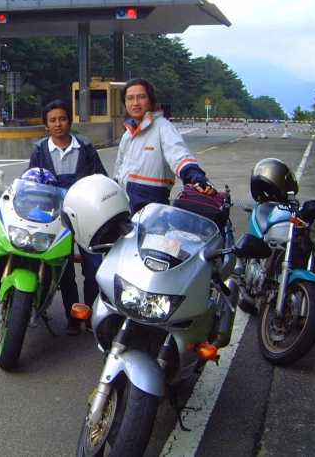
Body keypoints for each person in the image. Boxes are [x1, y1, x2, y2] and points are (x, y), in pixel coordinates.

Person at [29, 99, 107, 336]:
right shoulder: (40, 149)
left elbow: (101, 177)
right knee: (64, 271)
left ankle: (91, 314)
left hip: (85, 216)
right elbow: (30, 182)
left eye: (62, 119)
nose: (58, 124)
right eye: (52, 120)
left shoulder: (84, 146)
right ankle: (72, 317)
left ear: (70, 121)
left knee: (94, 267)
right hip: (55, 219)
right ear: (46, 125)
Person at [114, 77, 217, 214]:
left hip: (153, 216)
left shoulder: (163, 128)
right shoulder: (127, 135)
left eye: (141, 97)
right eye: (130, 98)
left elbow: (180, 157)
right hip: (125, 212)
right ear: (125, 103)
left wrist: (197, 178)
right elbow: (118, 171)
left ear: (150, 100)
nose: (136, 103)